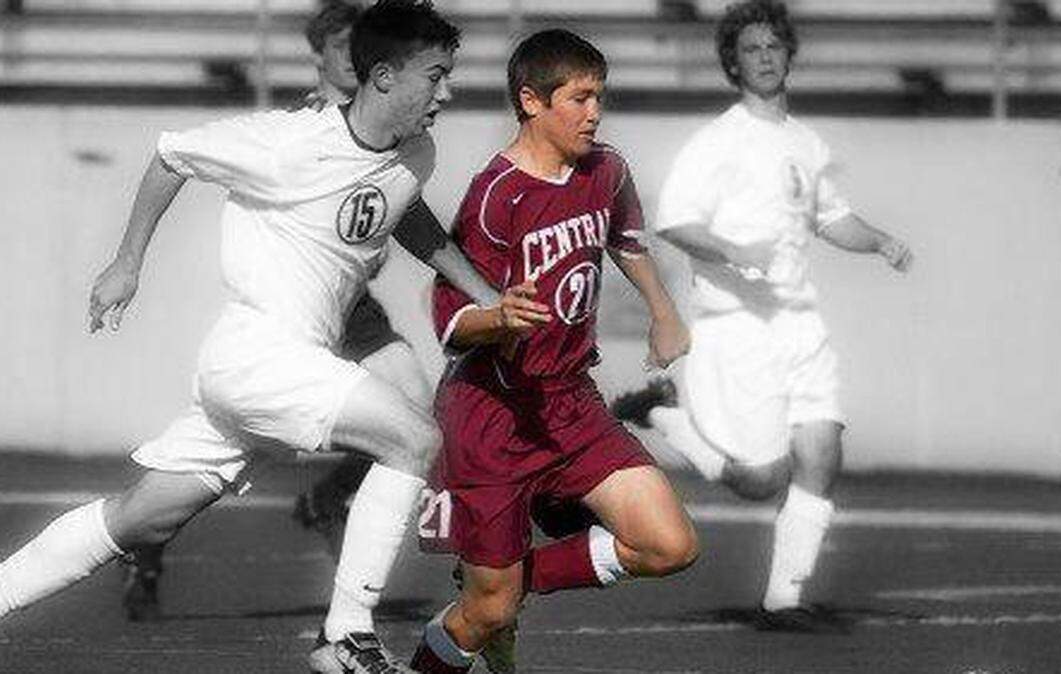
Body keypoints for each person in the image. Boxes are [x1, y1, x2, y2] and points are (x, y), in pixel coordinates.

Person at [0, 3, 519, 673]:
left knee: (143, 519)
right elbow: (171, 155)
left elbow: (403, 209)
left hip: (284, 367)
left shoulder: (415, 154)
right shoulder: (286, 143)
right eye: (435, 76)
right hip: (258, 354)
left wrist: (487, 296)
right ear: (383, 76)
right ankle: (347, 636)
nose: (447, 92)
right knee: (414, 436)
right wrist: (126, 264)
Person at [117, 0, 435, 623]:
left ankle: (329, 500)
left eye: (361, 44)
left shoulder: (391, 133)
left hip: (351, 308)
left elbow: (393, 199)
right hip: (292, 312)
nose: (354, 57)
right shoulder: (298, 127)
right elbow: (193, 163)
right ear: (319, 54)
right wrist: (128, 262)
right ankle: (146, 538)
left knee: (416, 406)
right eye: (341, 46)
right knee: (229, 444)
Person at [611, 0, 913, 634]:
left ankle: (785, 601)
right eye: (752, 49)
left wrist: (880, 240)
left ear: (789, 54)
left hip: (799, 323)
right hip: (737, 325)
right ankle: (664, 416)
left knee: (822, 450)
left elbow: (832, 218)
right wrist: (734, 250)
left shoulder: (806, 143)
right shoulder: (717, 142)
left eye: (774, 46)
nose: (766, 57)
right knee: (760, 478)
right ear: (733, 63)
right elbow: (676, 222)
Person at [406, 29, 700, 674]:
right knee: (486, 614)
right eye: (579, 98)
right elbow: (451, 323)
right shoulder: (494, 195)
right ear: (531, 101)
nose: (595, 113)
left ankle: (508, 587)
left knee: (669, 544)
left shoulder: (605, 169)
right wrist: (498, 318)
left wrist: (663, 312)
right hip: (492, 416)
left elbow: (625, 240)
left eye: (600, 97)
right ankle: (481, 611)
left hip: (571, 403)